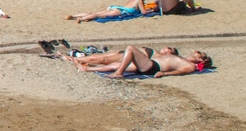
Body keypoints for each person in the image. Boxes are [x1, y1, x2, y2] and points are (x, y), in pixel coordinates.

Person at [78, 46, 211, 78]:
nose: (195, 51)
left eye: (199, 53)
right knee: (118, 64)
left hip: (153, 67)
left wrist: (164, 74)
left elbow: (181, 72)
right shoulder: (183, 59)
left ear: (200, 59)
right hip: (151, 64)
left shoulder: (190, 65)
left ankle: (119, 73)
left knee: (130, 49)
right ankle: (87, 68)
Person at [65, 0, 149, 23]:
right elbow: (144, 12)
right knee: (98, 16)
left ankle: (74, 16)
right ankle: (82, 19)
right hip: (119, 11)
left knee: (94, 13)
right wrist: (151, 10)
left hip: (115, 7)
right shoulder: (139, 1)